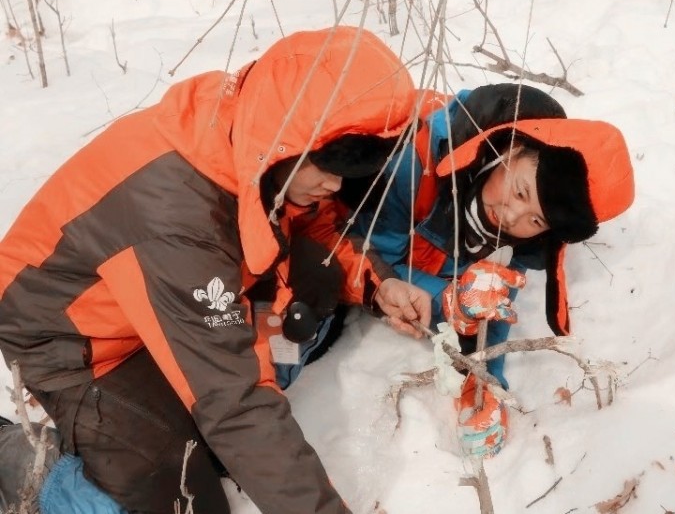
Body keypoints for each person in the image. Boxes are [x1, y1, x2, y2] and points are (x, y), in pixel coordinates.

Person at [0, 26, 434, 514]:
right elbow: (236, 402)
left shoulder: (253, 138)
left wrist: (378, 285)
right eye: (327, 165)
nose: (335, 184)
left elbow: (313, 223)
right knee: (179, 489)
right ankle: (15, 458)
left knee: (319, 273)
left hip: (172, 293)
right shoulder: (176, 218)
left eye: (348, 170)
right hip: (76, 338)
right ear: (288, 137)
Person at [306, 83, 635, 457]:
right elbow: (370, 250)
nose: (512, 215)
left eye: (535, 219)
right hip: (331, 237)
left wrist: (482, 386)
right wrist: (450, 298)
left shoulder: (516, 242)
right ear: (507, 150)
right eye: (521, 192)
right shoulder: (417, 168)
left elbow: (487, 316)